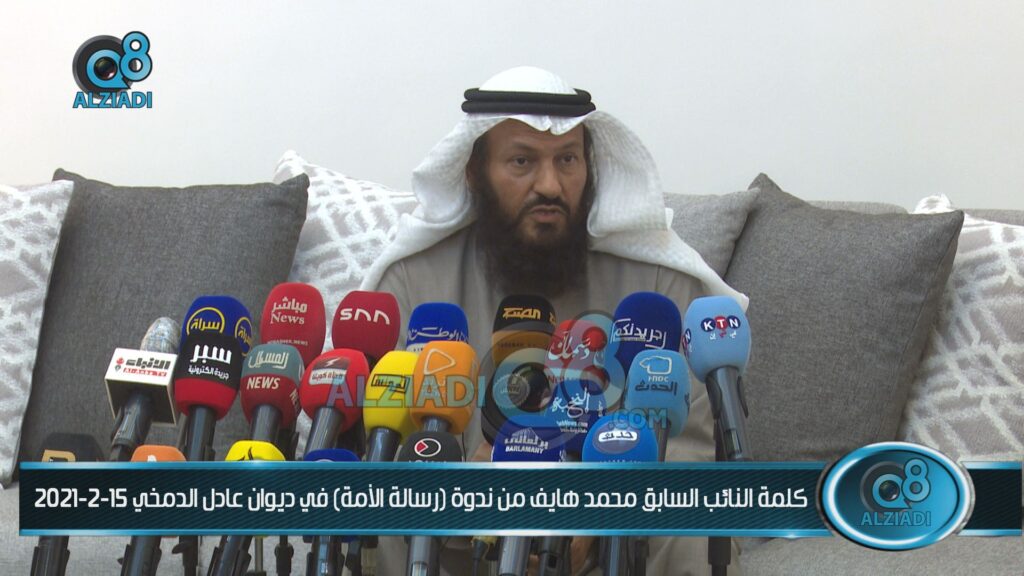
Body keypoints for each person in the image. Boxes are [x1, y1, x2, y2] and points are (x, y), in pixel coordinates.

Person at [361, 66, 747, 575]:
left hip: (616, 542)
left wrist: (597, 515)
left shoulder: (658, 285)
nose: (550, 185)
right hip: (452, 543)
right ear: (474, 172)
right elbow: (381, 446)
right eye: (522, 161)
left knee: (695, 511)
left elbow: (690, 449)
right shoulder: (414, 282)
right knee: (385, 501)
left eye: (567, 159)